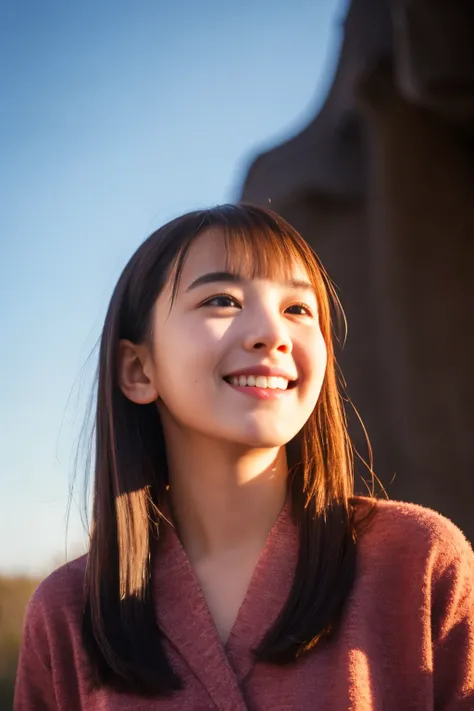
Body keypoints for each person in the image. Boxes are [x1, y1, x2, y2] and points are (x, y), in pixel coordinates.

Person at [14, 205, 474, 710]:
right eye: (222, 300)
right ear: (138, 369)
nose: (271, 334)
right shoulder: (67, 612)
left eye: (298, 309)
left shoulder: (421, 562)